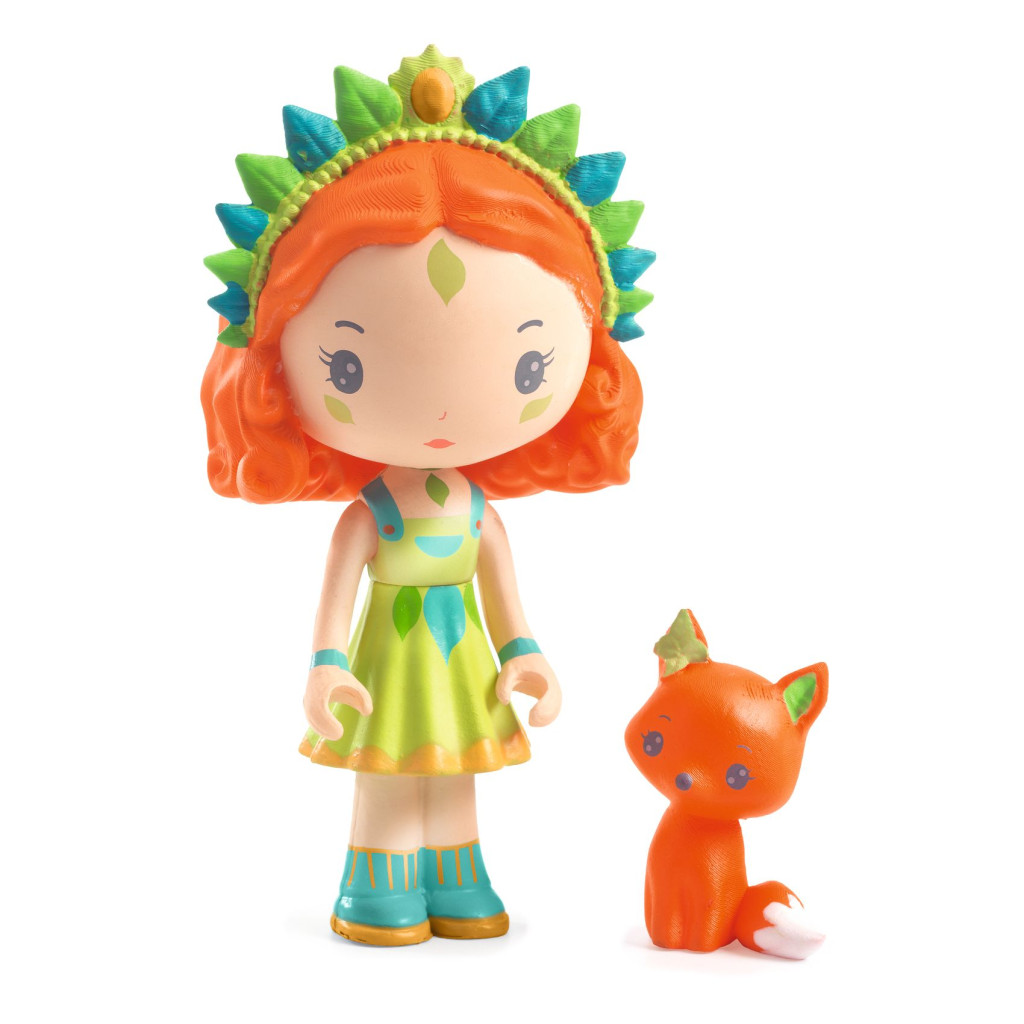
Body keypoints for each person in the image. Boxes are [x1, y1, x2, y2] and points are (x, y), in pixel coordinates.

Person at [201, 46, 653, 946]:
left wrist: (526, 653)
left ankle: (456, 876)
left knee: (454, 772)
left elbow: (506, 600)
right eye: (345, 365)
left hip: (462, 655)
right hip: (386, 658)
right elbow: (334, 604)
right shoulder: (368, 517)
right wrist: (325, 666)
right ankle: (376, 884)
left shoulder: (481, 515)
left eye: (532, 366)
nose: (444, 416)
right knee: (388, 770)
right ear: (276, 367)